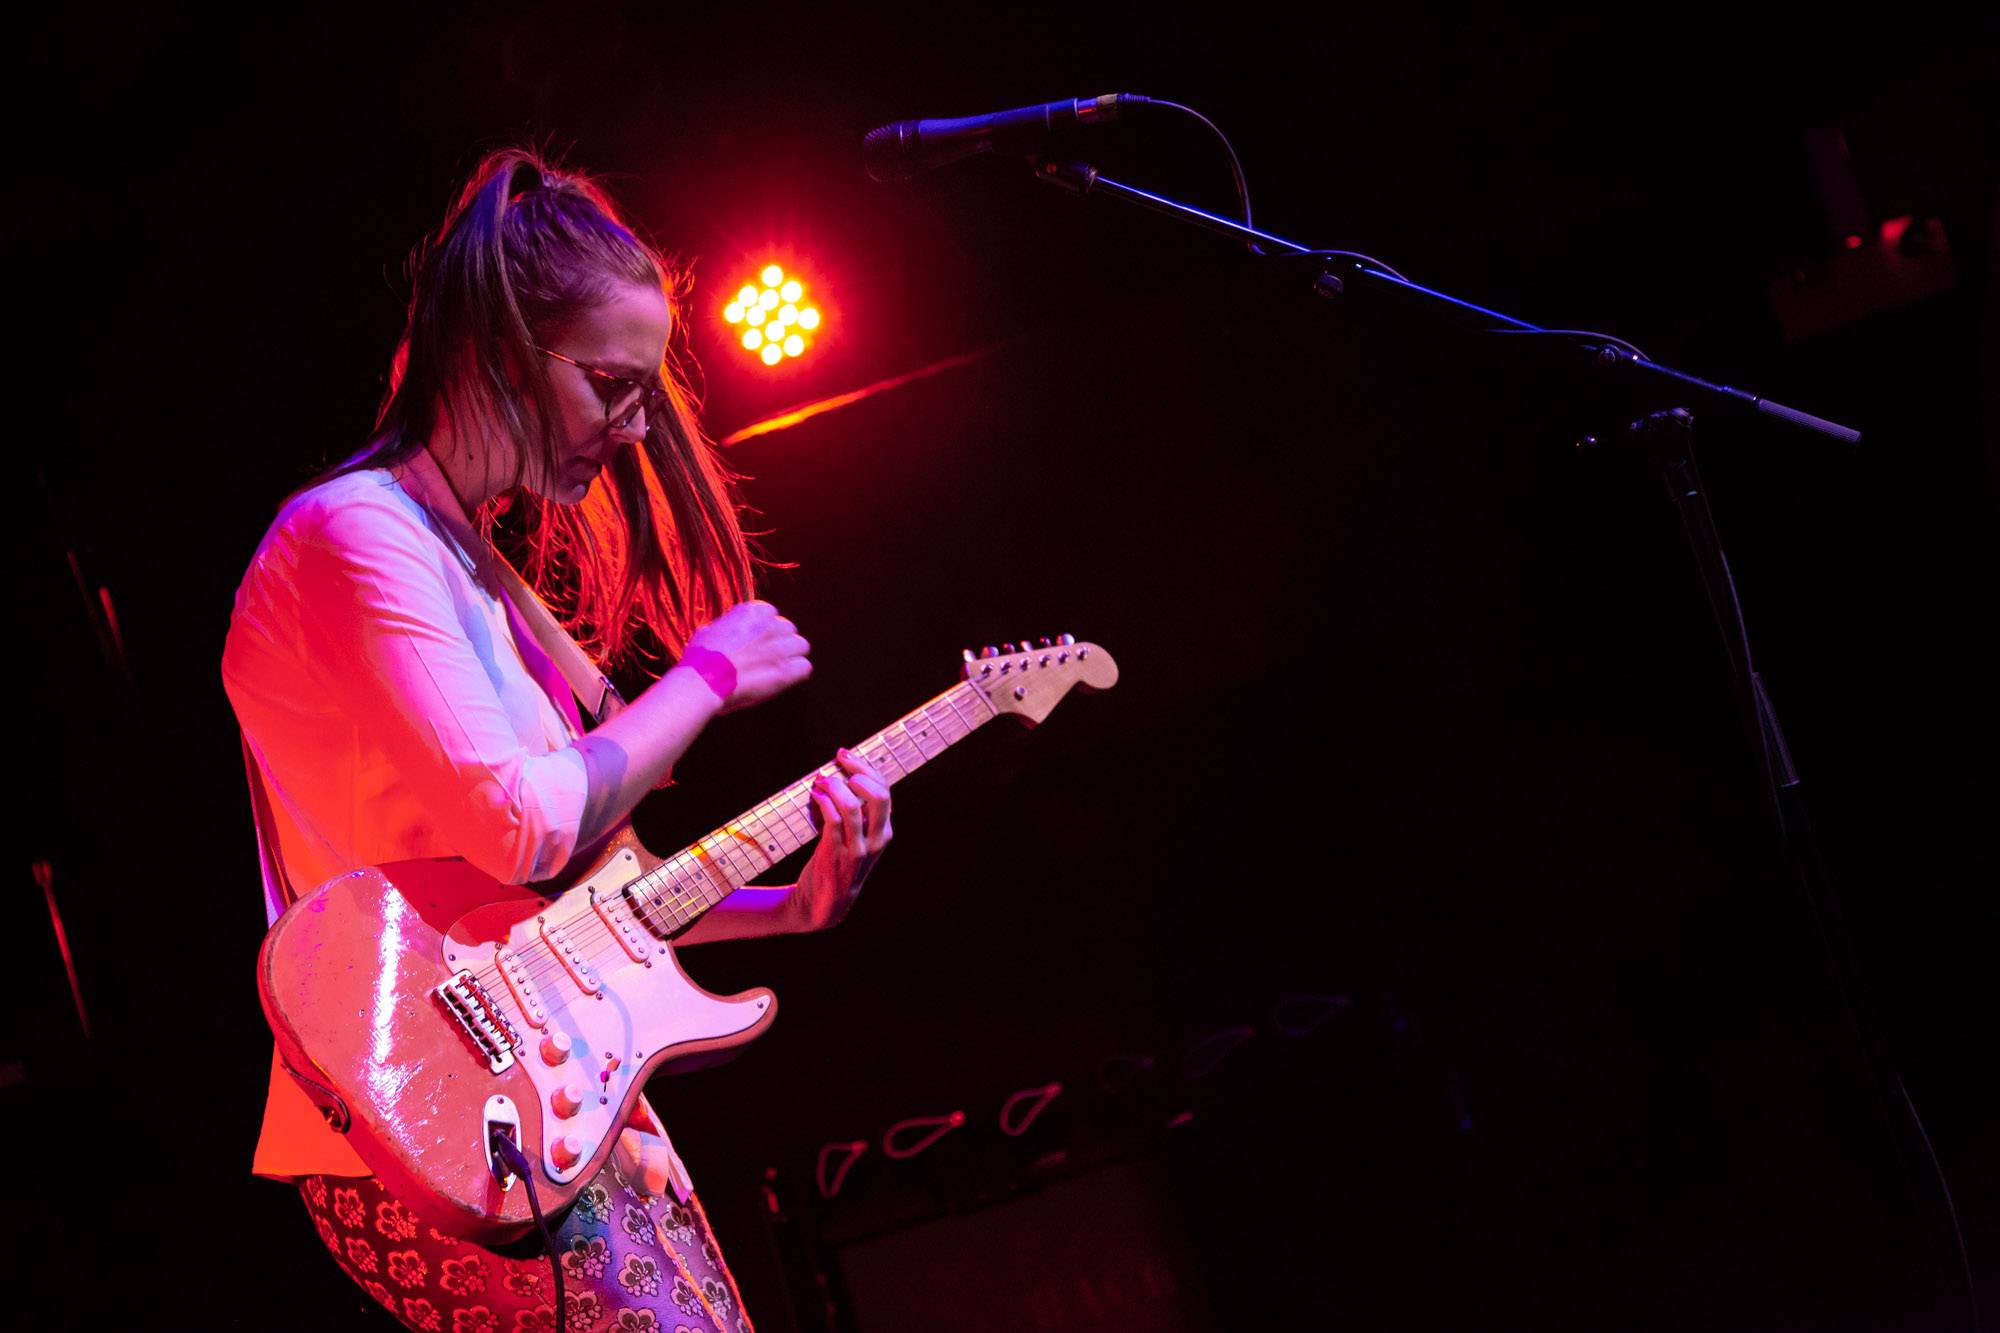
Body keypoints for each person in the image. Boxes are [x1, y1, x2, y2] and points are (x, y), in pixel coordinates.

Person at [223, 148, 891, 1333]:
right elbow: (521, 824)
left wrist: (790, 907)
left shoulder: (472, 571)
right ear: (492, 352)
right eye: (609, 385)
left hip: (537, 1106)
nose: (635, 428)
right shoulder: (352, 535)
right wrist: (705, 677)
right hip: (423, 1121)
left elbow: (562, 908)